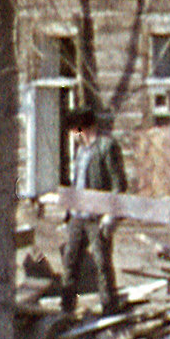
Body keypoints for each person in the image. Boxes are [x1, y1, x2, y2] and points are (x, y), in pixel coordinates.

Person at [59, 109, 125, 320]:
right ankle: (66, 309)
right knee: (70, 262)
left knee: (102, 263)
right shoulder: (81, 151)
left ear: (81, 128)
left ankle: (109, 310)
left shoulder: (107, 147)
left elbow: (119, 184)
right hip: (78, 216)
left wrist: (111, 215)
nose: (72, 136)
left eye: (73, 130)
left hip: (98, 217)